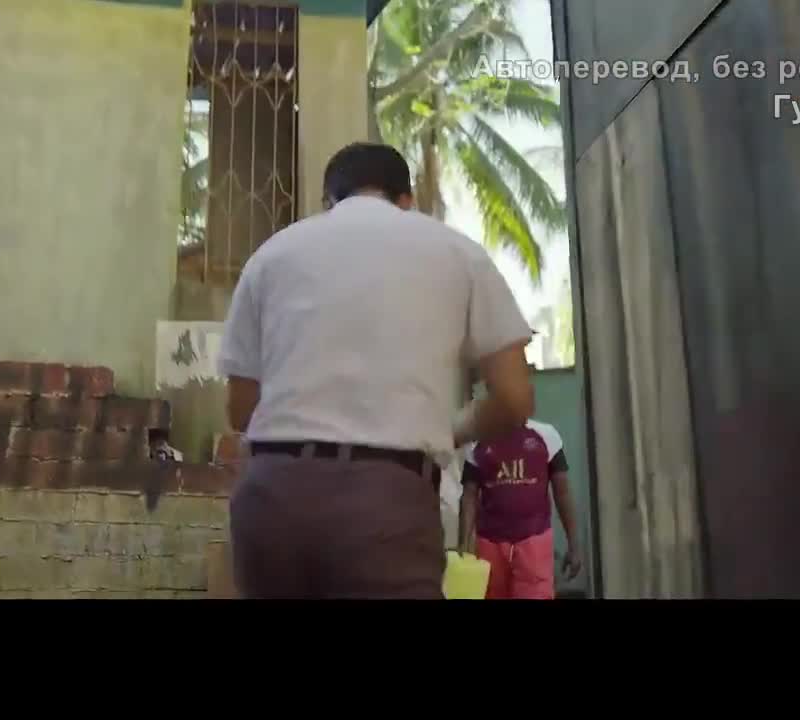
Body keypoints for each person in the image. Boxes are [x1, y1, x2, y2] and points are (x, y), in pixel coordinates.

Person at [217, 142, 535, 599]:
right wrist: (451, 430)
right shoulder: (457, 252)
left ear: (328, 201)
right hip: (386, 502)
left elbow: (241, 409)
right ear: (406, 200)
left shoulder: (272, 254)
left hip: (272, 500)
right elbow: (514, 398)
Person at [457, 419, 582, 599]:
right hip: (490, 546)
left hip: (534, 544)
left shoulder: (546, 435)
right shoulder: (478, 441)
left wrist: (574, 545)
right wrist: (463, 544)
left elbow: (562, 492)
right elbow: (469, 495)